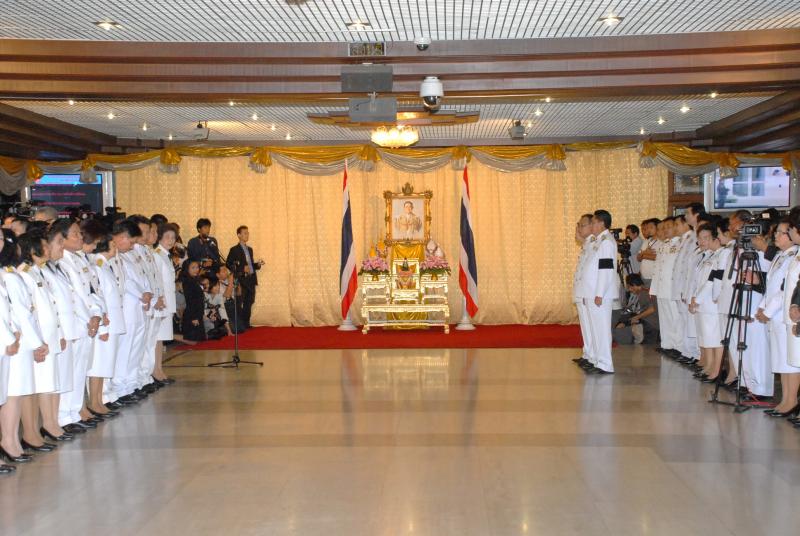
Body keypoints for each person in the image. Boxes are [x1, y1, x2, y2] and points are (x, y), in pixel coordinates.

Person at [16, 231, 61, 453]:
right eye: (44, 245)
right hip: (36, 339)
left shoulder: (37, 271)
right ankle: (30, 433)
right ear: (33, 250)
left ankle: (37, 431)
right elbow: (27, 312)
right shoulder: (24, 273)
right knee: (31, 388)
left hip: (46, 337)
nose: (49, 249)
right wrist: (37, 342)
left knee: (43, 385)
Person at [57, 219, 103, 434]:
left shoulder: (79, 259)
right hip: (75, 323)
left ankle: (74, 412)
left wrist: (96, 314)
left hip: (87, 322)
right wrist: (89, 318)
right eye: (75, 234)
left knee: (80, 369)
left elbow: (90, 291)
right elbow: (73, 297)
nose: (80, 237)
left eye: (79, 233)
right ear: (62, 238)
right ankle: (63, 416)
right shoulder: (61, 262)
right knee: (70, 371)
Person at [757, 219, 799, 417]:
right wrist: (762, 306)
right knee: (780, 359)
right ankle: (785, 400)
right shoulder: (781, 255)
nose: (776, 236)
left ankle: (791, 400)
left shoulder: (793, 256)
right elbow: (771, 286)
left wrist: (768, 310)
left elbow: (785, 290)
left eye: (781, 233)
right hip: (775, 315)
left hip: (784, 314)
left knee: (789, 360)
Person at [111, 219, 151, 405]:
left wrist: (146, 293)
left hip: (139, 307)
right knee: (125, 348)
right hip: (128, 307)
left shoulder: (129, 254)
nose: (133, 245)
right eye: (131, 241)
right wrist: (142, 294)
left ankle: (131, 384)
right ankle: (121, 387)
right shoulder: (113, 255)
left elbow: (142, 277)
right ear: (121, 237)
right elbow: (126, 282)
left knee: (136, 347)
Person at [689, 224, 725, 382]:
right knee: (706, 337)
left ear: (715, 238)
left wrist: (697, 299)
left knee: (715, 339)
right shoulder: (707, 256)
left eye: (706, 238)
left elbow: (711, 283)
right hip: (701, 303)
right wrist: (694, 297)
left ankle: (716, 370)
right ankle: (709, 365)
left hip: (711, 303)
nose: (702, 241)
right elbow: (698, 281)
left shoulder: (719, 256)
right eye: (700, 238)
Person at [583, 209, 616, 374]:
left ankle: (605, 363)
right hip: (591, 291)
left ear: (602, 223)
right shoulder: (598, 241)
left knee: (601, 329)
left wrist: (599, 293)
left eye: (594, 222)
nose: (592, 226)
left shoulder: (606, 242)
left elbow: (606, 270)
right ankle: (597, 360)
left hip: (600, 293)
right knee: (595, 329)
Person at [153, 223, 178, 384]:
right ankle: (156, 371)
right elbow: (157, 281)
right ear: (160, 237)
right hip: (162, 303)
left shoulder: (165, 255)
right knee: (157, 339)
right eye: (167, 237)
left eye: (173, 237)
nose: (170, 240)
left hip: (168, 303)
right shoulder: (157, 255)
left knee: (161, 339)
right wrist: (160, 300)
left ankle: (159, 369)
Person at [571, 214, 596, 369]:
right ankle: (588, 354)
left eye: (582, 225)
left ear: (592, 226)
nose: (579, 228)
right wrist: (578, 231)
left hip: (590, 292)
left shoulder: (595, 243)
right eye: (578, 225)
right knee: (586, 326)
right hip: (583, 291)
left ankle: (594, 357)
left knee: (592, 327)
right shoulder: (588, 243)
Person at [226, 225, 261, 330]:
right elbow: (228, 264)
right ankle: (239, 325)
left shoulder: (250, 249)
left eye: (248, 233)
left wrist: (257, 265)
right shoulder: (234, 249)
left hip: (251, 279)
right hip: (241, 280)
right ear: (239, 235)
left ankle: (246, 324)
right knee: (239, 303)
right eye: (245, 233)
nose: (247, 234)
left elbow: (249, 265)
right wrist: (241, 268)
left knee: (249, 303)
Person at [612, 274, 658, 345]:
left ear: (634, 284)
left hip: (650, 324)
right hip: (649, 323)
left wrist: (636, 318)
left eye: (629, 287)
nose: (629, 290)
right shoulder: (643, 292)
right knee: (624, 320)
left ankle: (636, 331)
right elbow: (634, 310)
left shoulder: (644, 293)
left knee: (618, 329)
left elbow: (652, 309)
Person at [180, 259, 206, 341]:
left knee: (200, 339)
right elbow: (190, 300)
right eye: (193, 267)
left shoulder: (194, 280)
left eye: (197, 267)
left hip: (198, 312)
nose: (196, 270)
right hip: (192, 314)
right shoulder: (187, 282)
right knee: (193, 340)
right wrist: (194, 317)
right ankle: (172, 336)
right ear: (187, 269)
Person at [638, 218, 660, 287]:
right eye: (647, 228)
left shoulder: (661, 241)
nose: (648, 230)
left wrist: (643, 255)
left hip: (653, 276)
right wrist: (644, 253)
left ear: (658, 227)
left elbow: (657, 257)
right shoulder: (646, 241)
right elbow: (638, 258)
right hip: (643, 276)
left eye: (651, 227)